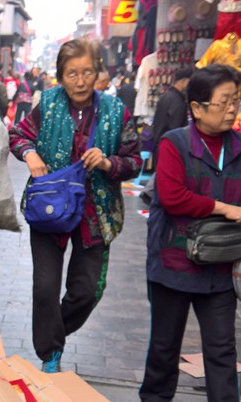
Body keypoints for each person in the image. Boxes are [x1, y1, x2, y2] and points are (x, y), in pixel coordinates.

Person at [139, 64, 241, 402]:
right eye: (224, 102)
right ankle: (155, 396)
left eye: (235, 100)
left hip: (219, 260)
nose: (232, 109)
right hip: (174, 256)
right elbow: (173, 198)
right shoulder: (174, 144)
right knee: (166, 338)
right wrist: (224, 208)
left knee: (222, 344)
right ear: (197, 108)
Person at [9, 39, 143, 373]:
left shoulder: (116, 111)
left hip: (95, 214)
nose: (80, 81)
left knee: (87, 292)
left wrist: (108, 163)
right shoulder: (48, 103)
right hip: (50, 208)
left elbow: (134, 161)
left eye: (87, 73)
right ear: (61, 76)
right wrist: (30, 153)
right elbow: (17, 135)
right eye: (71, 74)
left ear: (98, 73)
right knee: (45, 288)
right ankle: (50, 353)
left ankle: (53, 331)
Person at [142, 68, 193, 204]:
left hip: (159, 141)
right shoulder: (177, 101)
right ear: (184, 81)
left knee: (161, 175)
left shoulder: (166, 96)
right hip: (169, 145)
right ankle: (152, 195)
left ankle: (151, 194)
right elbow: (176, 128)